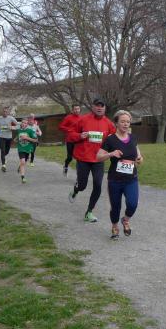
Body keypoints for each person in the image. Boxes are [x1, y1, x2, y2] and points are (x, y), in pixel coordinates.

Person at [66, 99, 116, 222]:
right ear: (92, 107)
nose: (99, 108)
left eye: (102, 106)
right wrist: (79, 136)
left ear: (105, 108)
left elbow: (115, 138)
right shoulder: (83, 120)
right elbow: (70, 134)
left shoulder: (108, 123)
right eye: (97, 106)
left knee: (98, 185)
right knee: (82, 185)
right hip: (83, 158)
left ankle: (89, 212)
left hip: (99, 159)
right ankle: (76, 189)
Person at [96, 110, 143, 239]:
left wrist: (139, 159)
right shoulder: (110, 139)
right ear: (116, 123)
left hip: (131, 179)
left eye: (128, 122)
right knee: (115, 206)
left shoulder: (133, 138)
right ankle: (115, 226)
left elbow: (139, 156)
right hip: (115, 180)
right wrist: (111, 154)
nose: (126, 124)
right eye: (122, 121)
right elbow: (98, 157)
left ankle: (125, 220)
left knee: (132, 204)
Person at [59, 104, 82, 176]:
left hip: (79, 140)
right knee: (70, 157)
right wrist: (69, 129)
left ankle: (79, 175)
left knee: (79, 158)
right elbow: (61, 126)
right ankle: (66, 165)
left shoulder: (82, 118)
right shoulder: (68, 117)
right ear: (72, 110)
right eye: (75, 109)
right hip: (70, 140)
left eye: (78, 109)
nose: (77, 110)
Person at [0, 106, 18, 171]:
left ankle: (4, 157)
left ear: (8, 112)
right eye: (4, 111)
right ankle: (3, 165)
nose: (5, 113)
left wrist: (12, 127)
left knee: (7, 151)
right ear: (2, 112)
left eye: (6, 112)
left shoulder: (11, 118)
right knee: (2, 150)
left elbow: (18, 125)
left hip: (8, 137)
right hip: (1, 137)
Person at [15, 118, 38, 183]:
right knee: (22, 161)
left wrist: (27, 138)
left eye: (25, 123)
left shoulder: (30, 131)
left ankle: (20, 166)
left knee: (24, 162)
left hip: (28, 149)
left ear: (27, 124)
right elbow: (17, 138)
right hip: (21, 148)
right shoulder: (19, 130)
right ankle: (23, 177)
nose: (23, 124)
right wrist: (16, 139)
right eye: (22, 122)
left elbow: (36, 140)